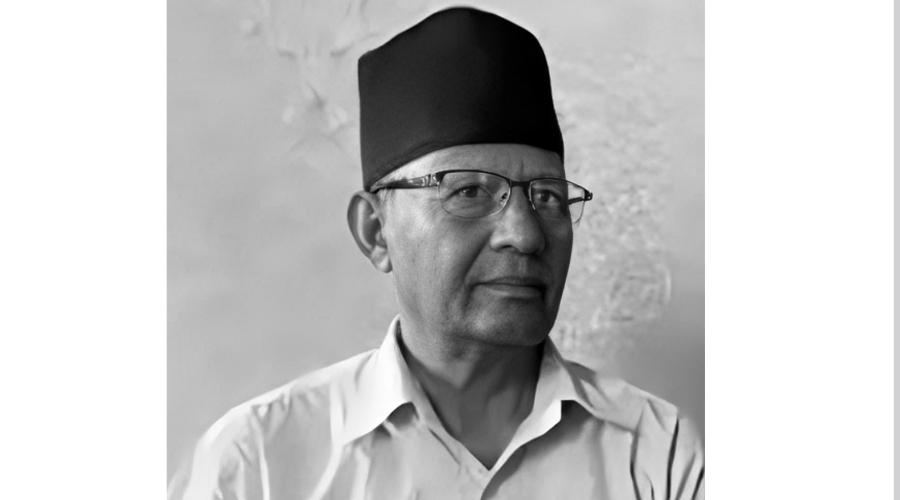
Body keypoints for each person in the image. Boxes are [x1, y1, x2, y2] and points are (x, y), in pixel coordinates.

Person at [169, 7, 704, 499]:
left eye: (547, 196)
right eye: (469, 191)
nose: (525, 234)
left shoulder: (660, 457)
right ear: (376, 232)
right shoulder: (258, 464)